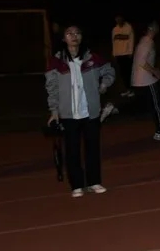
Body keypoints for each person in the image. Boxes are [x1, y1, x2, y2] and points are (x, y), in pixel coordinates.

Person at [46, 23, 115, 197]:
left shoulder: (93, 58)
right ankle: (76, 185)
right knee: (72, 151)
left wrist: (104, 84)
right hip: (68, 114)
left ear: (82, 37)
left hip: (90, 112)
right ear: (64, 39)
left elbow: (109, 71)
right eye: (69, 33)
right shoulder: (56, 62)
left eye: (77, 33)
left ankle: (94, 182)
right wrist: (54, 111)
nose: (74, 36)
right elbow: (52, 87)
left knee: (92, 149)